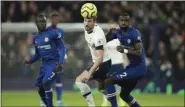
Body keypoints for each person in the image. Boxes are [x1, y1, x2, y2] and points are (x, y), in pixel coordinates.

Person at [105, 13, 147, 107]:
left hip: (139, 68)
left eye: (126, 21)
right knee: (124, 95)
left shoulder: (134, 33)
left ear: (129, 22)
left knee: (109, 80)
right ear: (118, 22)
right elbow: (104, 41)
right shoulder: (117, 32)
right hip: (131, 67)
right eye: (122, 20)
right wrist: (109, 33)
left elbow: (139, 51)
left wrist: (124, 49)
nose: (124, 22)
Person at [75, 16, 118, 107]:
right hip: (103, 62)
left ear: (94, 22)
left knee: (79, 81)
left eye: (89, 21)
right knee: (101, 88)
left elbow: (100, 58)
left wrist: (89, 73)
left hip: (103, 63)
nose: (86, 23)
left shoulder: (97, 36)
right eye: (85, 21)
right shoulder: (87, 28)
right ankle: (115, 102)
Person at [23, 14, 64, 107]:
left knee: (46, 82)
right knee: (39, 89)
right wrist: (29, 61)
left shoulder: (53, 33)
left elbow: (62, 48)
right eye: (39, 22)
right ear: (36, 23)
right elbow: (37, 55)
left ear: (46, 23)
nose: (41, 24)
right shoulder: (35, 37)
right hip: (44, 65)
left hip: (54, 63)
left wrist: (61, 62)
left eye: (43, 22)